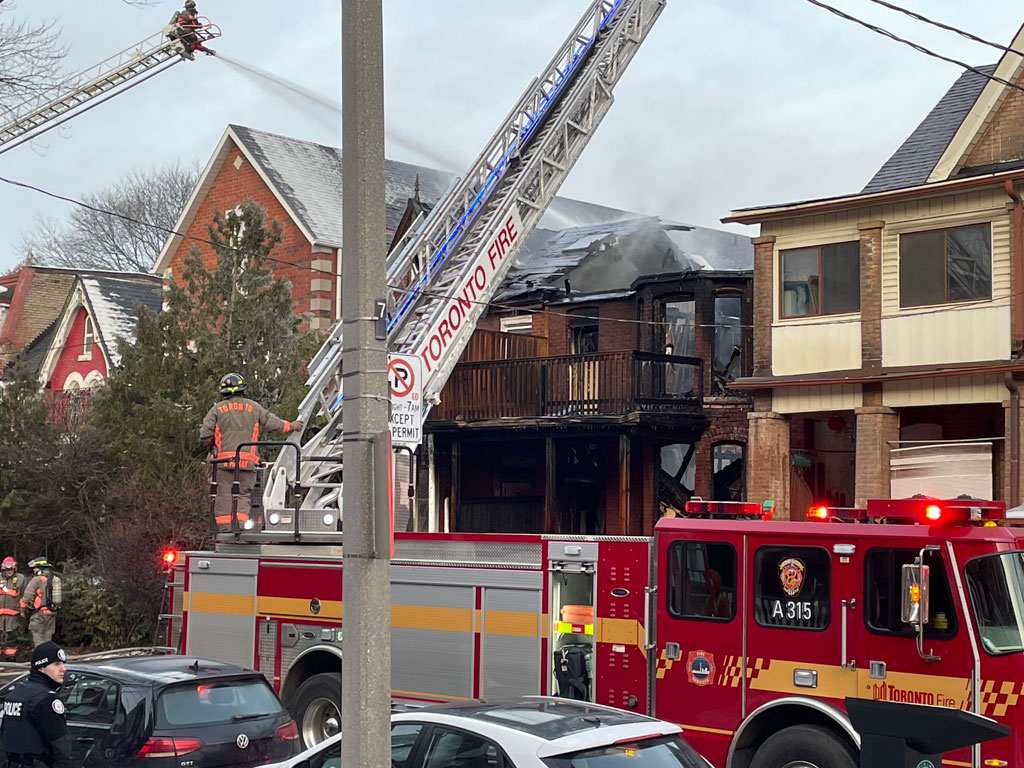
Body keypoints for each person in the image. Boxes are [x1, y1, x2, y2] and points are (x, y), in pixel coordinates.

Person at [200, 372, 302, 530]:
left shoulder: (217, 410)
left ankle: (226, 530)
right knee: (242, 495)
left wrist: (213, 442)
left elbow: (205, 436)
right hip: (247, 464)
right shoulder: (253, 407)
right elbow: (273, 423)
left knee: (224, 495)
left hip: (223, 463)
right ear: (242, 389)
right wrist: (292, 426)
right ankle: (240, 527)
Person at [0, 641, 70, 768]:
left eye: (63, 664)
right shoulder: (46, 699)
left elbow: (3, 740)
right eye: (56, 664)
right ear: (41, 668)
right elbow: (61, 751)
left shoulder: (14, 695)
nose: (63, 669)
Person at [20, 560, 58, 648]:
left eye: (35, 569)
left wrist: (22, 610)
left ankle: (41, 656)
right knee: (47, 636)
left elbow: (27, 596)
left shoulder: (36, 579)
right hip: (52, 612)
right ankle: (48, 658)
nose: (34, 571)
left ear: (40, 568)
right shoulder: (54, 579)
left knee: (37, 635)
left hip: (40, 613)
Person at [0, 558, 25, 658]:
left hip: (13, 615)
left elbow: (24, 595)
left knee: (12, 638)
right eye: (7, 570)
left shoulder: (21, 578)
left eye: (11, 570)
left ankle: (11, 659)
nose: (9, 572)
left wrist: (22, 610)